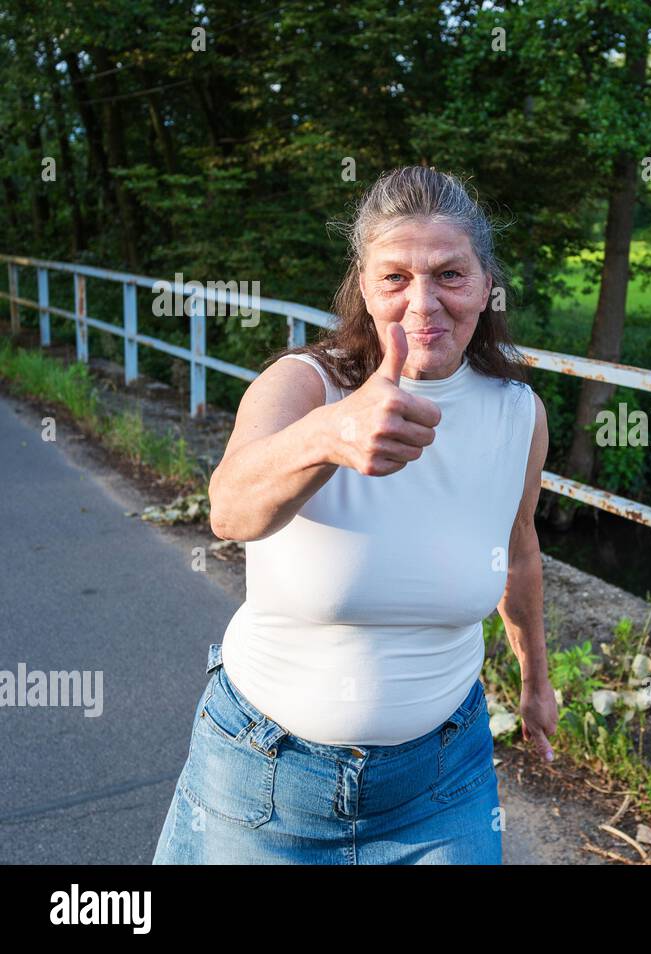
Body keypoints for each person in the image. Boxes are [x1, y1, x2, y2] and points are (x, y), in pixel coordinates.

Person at [152, 166, 558, 864]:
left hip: (444, 785)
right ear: (364, 289)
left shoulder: (518, 413)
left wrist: (536, 684)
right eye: (395, 277)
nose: (423, 304)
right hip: (267, 781)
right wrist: (329, 435)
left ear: (488, 283)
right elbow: (228, 509)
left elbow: (517, 554)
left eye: (450, 275)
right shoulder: (304, 384)